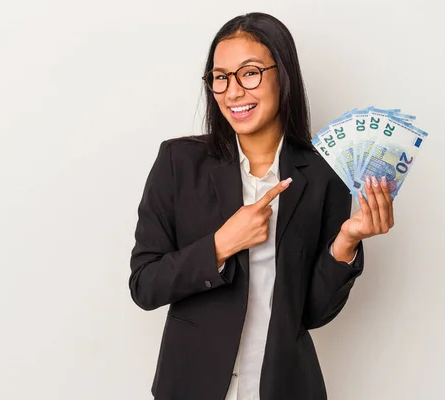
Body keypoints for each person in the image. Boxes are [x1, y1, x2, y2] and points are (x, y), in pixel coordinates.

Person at [129, 12, 394, 400]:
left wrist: (346, 242)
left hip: (284, 386)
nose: (233, 92)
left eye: (249, 73)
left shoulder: (323, 172)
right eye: (220, 77)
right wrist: (220, 245)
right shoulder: (178, 162)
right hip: (190, 385)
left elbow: (313, 313)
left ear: (282, 75)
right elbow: (144, 285)